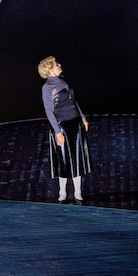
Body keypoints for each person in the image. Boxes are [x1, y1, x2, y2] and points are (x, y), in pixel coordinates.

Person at [38, 57, 93, 205]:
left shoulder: (62, 80)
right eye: (56, 64)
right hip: (63, 125)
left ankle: (78, 192)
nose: (59, 65)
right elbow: (49, 111)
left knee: (77, 157)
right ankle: (62, 192)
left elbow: (73, 101)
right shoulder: (47, 88)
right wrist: (58, 132)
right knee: (64, 160)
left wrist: (82, 118)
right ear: (50, 69)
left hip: (75, 122)